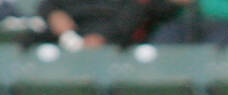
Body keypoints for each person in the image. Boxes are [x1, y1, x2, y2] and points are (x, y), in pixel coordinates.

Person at [36, 0, 186, 48]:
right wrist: (53, 14)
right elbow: (47, 5)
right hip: (67, 39)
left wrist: (103, 37)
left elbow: (136, 13)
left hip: (117, 43)